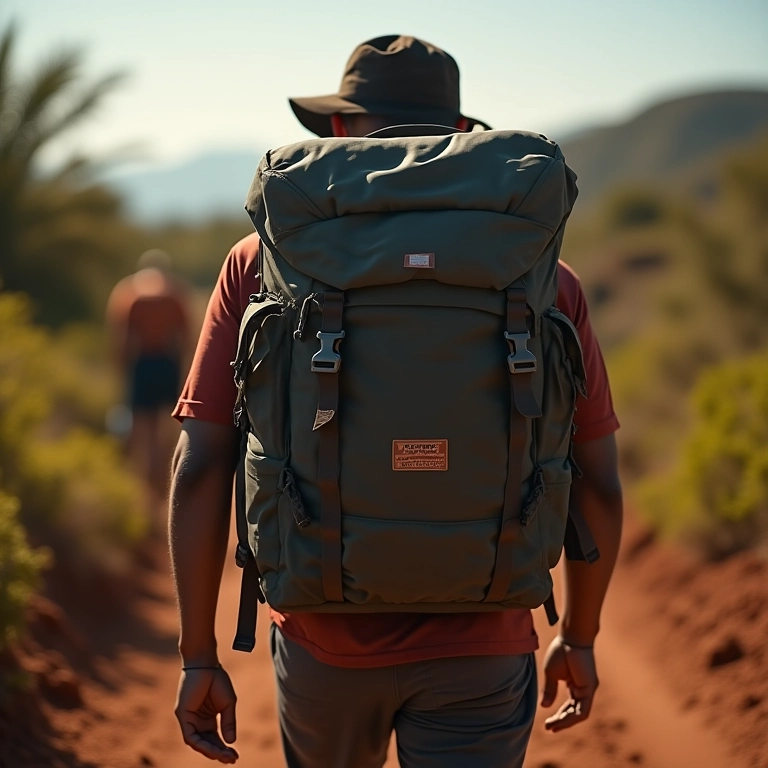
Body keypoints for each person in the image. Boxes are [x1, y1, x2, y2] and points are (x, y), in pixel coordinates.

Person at [169, 35, 622, 768]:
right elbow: (598, 477)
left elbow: (200, 467)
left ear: (342, 130)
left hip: (323, 641)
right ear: (459, 137)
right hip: (488, 637)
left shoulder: (260, 263)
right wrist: (580, 634)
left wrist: (197, 655)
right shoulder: (543, 277)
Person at [106, 249, 191, 505]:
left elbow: (122, 338)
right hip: (167, 362)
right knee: (165, 425)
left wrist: (121, 371)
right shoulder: (174, 293)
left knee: (141, 424)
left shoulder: (130, 293)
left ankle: (143, 484)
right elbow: (186, 337)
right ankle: (160, 483)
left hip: (142, 363)